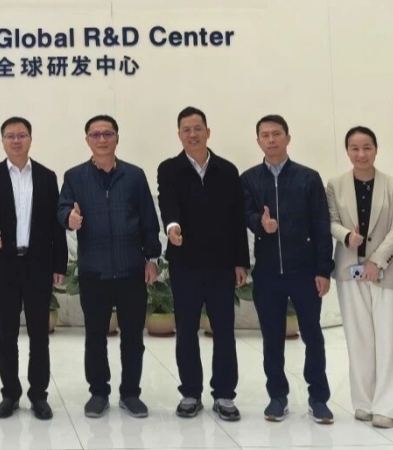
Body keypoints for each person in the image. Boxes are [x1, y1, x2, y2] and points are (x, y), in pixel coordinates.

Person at [57, 114, 161, 419]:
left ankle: (130, 393)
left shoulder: (134, 175)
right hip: (94, 271)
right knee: (95, 336)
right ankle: (98, 393)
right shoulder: (75, 176)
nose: (102, 139)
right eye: (96, 134)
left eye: (108, 134)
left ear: (117, 138)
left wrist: (152, 259)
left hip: (131, 270)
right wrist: (69, 218)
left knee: (133, 337)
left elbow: (149, 219)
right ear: (87, 139)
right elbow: (62, 209)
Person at [240, 115, 335, 424]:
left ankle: (318, 398)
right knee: (272, 339)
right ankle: (277, 397)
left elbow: (321, 225)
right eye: (265, 135)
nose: (271, 140)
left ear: (287, 138)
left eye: (276, 134)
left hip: (304, 272)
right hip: (268, 274)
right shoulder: (249, 179)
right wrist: (261, 223)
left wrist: (323, 270)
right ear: (258, 141)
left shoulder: (308, 178)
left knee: (313, 336)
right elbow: (245, 214)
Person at [156, 107, 248, 422]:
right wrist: (172, 227)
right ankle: (190, 393)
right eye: (186, 129)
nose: (192, 134)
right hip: (185, 265)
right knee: (186, 331)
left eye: (198, 129)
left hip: (222, 265)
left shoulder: (227, 170)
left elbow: (237, 218)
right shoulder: (169, 169)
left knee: (223, 331)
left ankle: (224, 394)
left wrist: (241, 261)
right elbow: (166, 202)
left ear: (208, 132)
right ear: (179, 134)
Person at [0, 116, 67, 421]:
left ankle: (38, 395)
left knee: (39, 335)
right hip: (5, 264)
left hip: (38, 265)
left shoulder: (46, 176)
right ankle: (10, 394)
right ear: (2, 141)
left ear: (30, 139)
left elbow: (56, 224)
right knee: (7, 335)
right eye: (10, 136)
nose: (16, 141)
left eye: (21, 135)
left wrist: (59, 263)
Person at [326, 126, 393, 428]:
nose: (361, 154)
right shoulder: (335, 185)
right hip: (350, 270)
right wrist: (346, 236)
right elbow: (331, 220)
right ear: (347, 151)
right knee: (358, 337)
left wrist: (377, 260)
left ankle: (388, 407)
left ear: (376, 149)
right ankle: (364, 402)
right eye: (354, 148)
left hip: (387, 271)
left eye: (367, 147)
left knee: (390, 339)